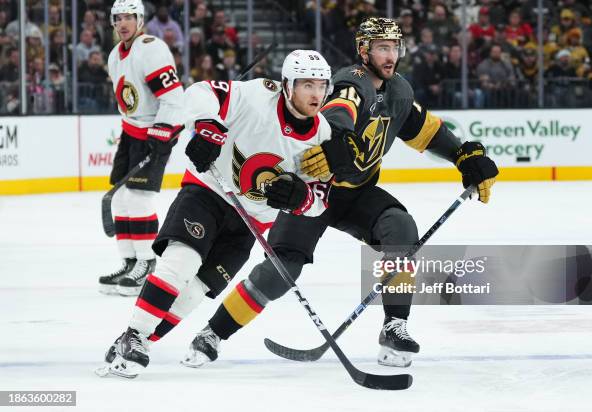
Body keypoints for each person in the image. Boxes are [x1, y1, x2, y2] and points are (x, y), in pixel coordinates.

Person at [184, 17, 499, 369]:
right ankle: (213, 332)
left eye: (394, 47)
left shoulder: (399, 92)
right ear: (364, 51)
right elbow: (338, 111)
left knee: (401, 230)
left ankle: (395, 326)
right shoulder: (352, 82)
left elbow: (427, 131)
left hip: (357, 194)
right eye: (382, 47)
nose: (390, 54)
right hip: (313, 191)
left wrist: (463, 156)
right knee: (280, 272)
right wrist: (338, 141)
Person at [101, 49, 335, 378]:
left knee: (196, 290)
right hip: (209, 191)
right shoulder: (258, 95)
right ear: (287, 85)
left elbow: (321, 198)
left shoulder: (322, 135)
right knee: (182, 261)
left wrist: (302, 198)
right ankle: (133, 335)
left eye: (321, 85)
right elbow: (200, 92)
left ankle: (139, 341)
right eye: (307, 84)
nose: (315, 93)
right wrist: (208, 125)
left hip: (250, 222)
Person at [97, 0, 184, 296]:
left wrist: (163, 130)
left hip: (153, 133)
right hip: (130, 132)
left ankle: (147, 264)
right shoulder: (114, 56)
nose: (123, 23)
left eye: (128, 18)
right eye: (117, 18)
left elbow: (173, 96)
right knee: (121, 198)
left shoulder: (151, 48)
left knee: (138, 198)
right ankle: (130, 260)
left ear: (140, 20)